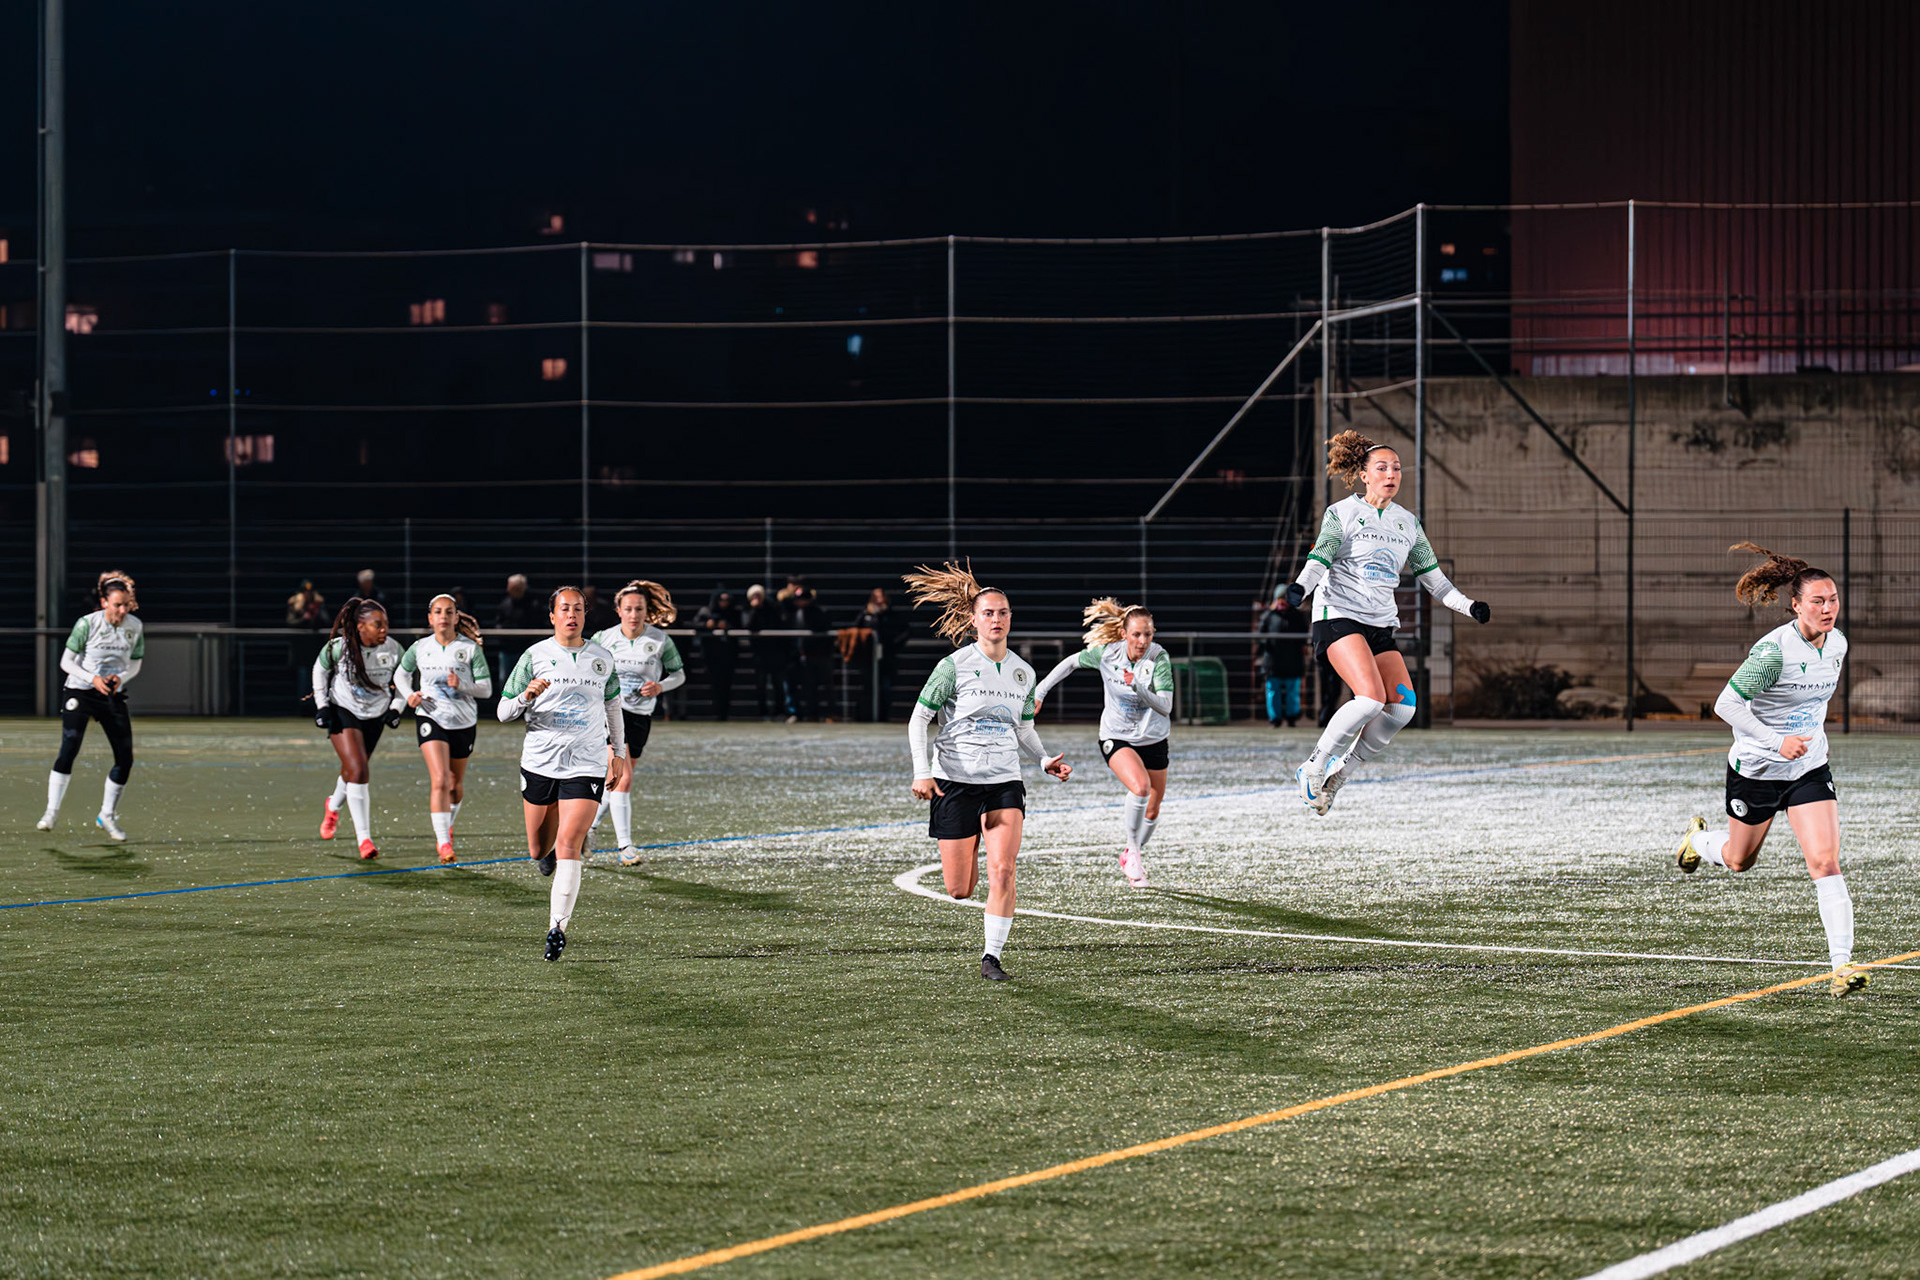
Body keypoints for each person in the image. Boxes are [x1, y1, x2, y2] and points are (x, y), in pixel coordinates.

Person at [1674, 543, 1866, 997]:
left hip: (1808, 769)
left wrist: (1802, 740)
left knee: (1824, 861)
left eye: (1833, 599)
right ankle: (1698, 841)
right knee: (1740, 861)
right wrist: (1776, 740)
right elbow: (1726, 705)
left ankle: (1842, 967)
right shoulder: (1773, 653)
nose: (1827, 608)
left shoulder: (1837, 643)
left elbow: (1810, 701)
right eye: (1817, 601)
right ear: (1796, 605)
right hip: (1757, 770)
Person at [1283, 430, 1490, 815]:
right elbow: (1320, 558)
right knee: (1371, 698)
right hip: (1338, 616)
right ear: (1363, 474)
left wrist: (1469, 605)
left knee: (1402, 708)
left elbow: (1435, 581)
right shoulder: (1341, 513)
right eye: (1382, 467)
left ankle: (1340, 775)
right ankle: (1313, 766)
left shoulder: (1407, 523)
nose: (1391, 473)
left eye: (1396, 468)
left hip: (1379, 624)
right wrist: (1300, 588)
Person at [902, 562, 1071, 981]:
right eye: (989, 613)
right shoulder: (953, 665)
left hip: (1003, 782)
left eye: (1003, 612)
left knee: (1004, 870)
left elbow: (1024, 727)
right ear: (974, 620)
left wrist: (1043, 759)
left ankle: (991, 957)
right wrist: (922, 773)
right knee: (960, 889)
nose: (996, 619)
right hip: (955, 781)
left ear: (1010, 618)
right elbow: (918, 719)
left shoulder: (1023, 672)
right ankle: (971, 839)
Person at [497, 586, 631, 961]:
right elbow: (503, 711)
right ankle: (546, 855)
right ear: (552, 616)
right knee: (540, 848)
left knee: (570, 842)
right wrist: (526, 696)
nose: (571, 615)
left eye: (578, 609)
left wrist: (617, 754)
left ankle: (557, 927)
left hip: (586, 763)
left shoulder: (601, 658)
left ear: (586, 616)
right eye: (564, 609)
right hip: (540, 763)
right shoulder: (535, 655)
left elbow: (613, 707)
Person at [1033, 598, 1173, 887]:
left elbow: (1166, 707)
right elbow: (1071, 662)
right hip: (1116, 736)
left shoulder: (1159, 659)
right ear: (1124, 634)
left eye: (1148, 634)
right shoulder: (1108, 655)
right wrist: (1040, 692)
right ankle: (1134, 854)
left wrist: (1137, 686)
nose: (1143, 640)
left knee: (1153, 808)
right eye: (1136, 634)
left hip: (1154, 738)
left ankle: (1129, 852)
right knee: (1141, 787)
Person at [37, 570, 145, 840]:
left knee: (125, 758)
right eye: (117, 604)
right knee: (69, 747)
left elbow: (135, 663)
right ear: (105, 602)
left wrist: (120, 678)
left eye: (126, 605)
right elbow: (66, 662)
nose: (122, 610)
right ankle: (51, 810)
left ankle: (107, 815)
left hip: (110, 693)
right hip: (81, 690)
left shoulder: (135, 626)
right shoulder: (87, 624)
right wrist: (92, 678)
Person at [393, 594, 494, 864]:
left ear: (456, 617)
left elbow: (486, 689)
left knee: (454, 785)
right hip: (430, 716)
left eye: (449, 612)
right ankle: (444, 843)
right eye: (438, 612)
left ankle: (447, 825)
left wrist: (462, 685)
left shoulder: (470, 649)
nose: (443, 617)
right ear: (430, 618)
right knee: (440, 779)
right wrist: (409, 695)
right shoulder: (420, 647)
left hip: (463, 721)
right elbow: (400, 674)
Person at [590, 580, 684, 865]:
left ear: (646, 611)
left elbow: (679, 675)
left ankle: (589, 829)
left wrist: (660, 687)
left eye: (639, 609)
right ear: (618, 611)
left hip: (641, 716)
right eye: (628, 609)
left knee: (617, 782)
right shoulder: (603, 639)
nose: (633, 614)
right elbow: (584, 667)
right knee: (624, 778)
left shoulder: (660, 641)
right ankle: (625, 847)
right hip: (610, 714)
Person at [312, 597, 405, 860]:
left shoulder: (394, 649)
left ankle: (333, 805)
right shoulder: (338, 648)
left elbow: (405, 680)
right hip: (344, 709)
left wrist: (397, 708)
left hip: (375, 714)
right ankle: (364, 839)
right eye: (378, 625)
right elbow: (320, 670)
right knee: (359, 769)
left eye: (386, 624)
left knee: (352, 769)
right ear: (361, 626)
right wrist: (322, 706)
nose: (384, 630)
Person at [855, 587, 910, 721]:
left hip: (887, 658)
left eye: (882, 598)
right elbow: (856, 631)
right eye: (876, 599)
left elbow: (906, 631)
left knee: (886, 689)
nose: (879, 602)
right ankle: (865, 716)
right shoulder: (865, 615)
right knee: (868, 688)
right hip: (869, 658)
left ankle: (883, 715)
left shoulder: (892, 616)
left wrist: (893, 645)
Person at [1258, 592, 1307, 727]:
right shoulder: (1269, 616)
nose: (1281, 602)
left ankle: (1292, 717)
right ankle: (1275, 719)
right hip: (1273, 661)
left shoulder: (1297, 616)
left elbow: (1304, 635)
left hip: (1293, 660)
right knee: (1273, 691)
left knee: (1293, 691)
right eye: (1279, 599)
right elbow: (1261, 634)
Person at [785, 586, 834, 722]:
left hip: (818, 655)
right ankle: (811, 714)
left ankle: (830, 714)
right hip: (800, 655)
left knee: (825, 686)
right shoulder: (793, 612)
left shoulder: (819, 612)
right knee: (808, 687)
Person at [693, 586, 740, 720]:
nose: (724, 603)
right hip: (711, 655)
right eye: (722, 600)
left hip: (728, 655)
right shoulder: (706, 611)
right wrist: (708, 625)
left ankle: (723, 713)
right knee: (714, 684)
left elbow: (741, 625)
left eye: (727, 600)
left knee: (726, 685)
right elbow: (695, 624)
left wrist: (727, 626)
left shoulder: (732, 613)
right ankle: (714, 712)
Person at [742, 584, 783, 719]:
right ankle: (762, 712)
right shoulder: (748, 609)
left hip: (775, 651)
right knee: (761, 683)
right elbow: (748, 626)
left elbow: (779, 622)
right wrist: (755, 609)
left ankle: (779, 711)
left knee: (778, 682)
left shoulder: (771, 608)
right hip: (759, 652)